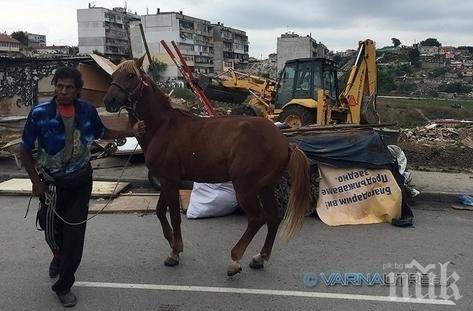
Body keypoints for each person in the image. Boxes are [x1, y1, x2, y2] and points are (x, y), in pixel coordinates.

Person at [19, 66, 145, 307]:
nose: (63, 91)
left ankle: (64, 285)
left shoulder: (86, 111)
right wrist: (36, 182)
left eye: (69, 88)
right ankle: (57, 255)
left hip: (80, 182)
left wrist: (131, 130)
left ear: (77, 91)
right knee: (51, 232)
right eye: (60, 86)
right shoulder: (39, 113)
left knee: (74, 237)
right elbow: (24, 149)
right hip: (51, 184)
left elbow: (102, 132)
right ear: (55, 87)